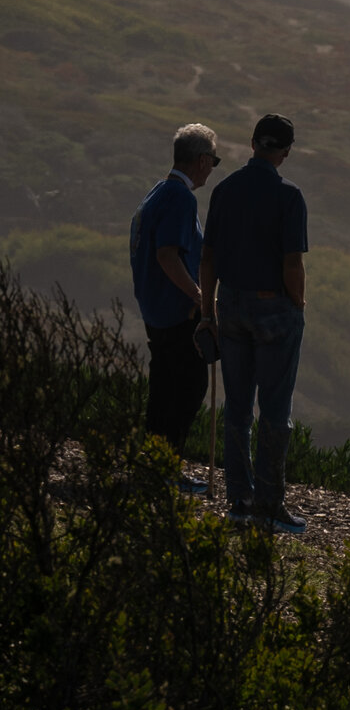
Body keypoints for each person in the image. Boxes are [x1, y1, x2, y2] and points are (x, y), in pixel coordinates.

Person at [201, 113, 309, 535]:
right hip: (273, 308)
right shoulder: (289, 196)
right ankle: (269, 503)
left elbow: (207, 259)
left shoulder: (225, 190)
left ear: (251, 144)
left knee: (237, 407)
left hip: (229, 304)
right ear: (284, 152)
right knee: (275, 410)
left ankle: (239, 500)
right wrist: (297, 304)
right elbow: (292, 264)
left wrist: (208, 313)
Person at [128, 122, 222, 487]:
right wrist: (200, 298)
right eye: (213, 160)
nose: (212, 168)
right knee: (187, 387)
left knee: (164, 387)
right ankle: (165, 468)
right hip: (175, 314)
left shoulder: (157, 192)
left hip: (154, 310)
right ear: (201, 160)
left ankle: (152, 464)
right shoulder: (181, 198)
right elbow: (168, 255)